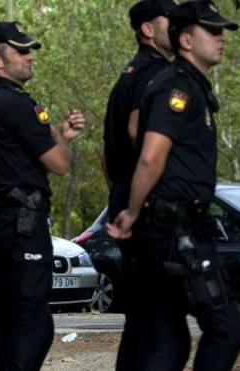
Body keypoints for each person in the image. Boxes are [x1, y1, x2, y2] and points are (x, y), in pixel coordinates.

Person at [108, 1, 240, 370]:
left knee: (167, 342)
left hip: (169, 227)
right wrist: (132, 211)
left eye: (222, 31)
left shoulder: (175, 82)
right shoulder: (177, 86)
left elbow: (135, 128)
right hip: (173, 230)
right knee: (225, 326)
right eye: (211, 31)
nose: (221, 38)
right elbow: (150, 155)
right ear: (185, 39)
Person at [0, 21, 86, 371]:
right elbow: (59, 162)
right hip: (23, 225)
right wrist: (62, 140)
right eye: (20, 50)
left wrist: (59, 134)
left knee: (4, 322)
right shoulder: (18, 104)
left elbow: (26, 165)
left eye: (29, 49)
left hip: (4, 221)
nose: (28, 56)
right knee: (34, 326)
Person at [102, 1, 175, 369]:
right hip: (145, 204)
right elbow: (138, 134)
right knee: (159, 322)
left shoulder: (129, 74)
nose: (177, 26)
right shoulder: (156, 74)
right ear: (148, 29)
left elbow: (107, 153)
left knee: (143, 317)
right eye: (170, 20)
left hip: (126, 194)